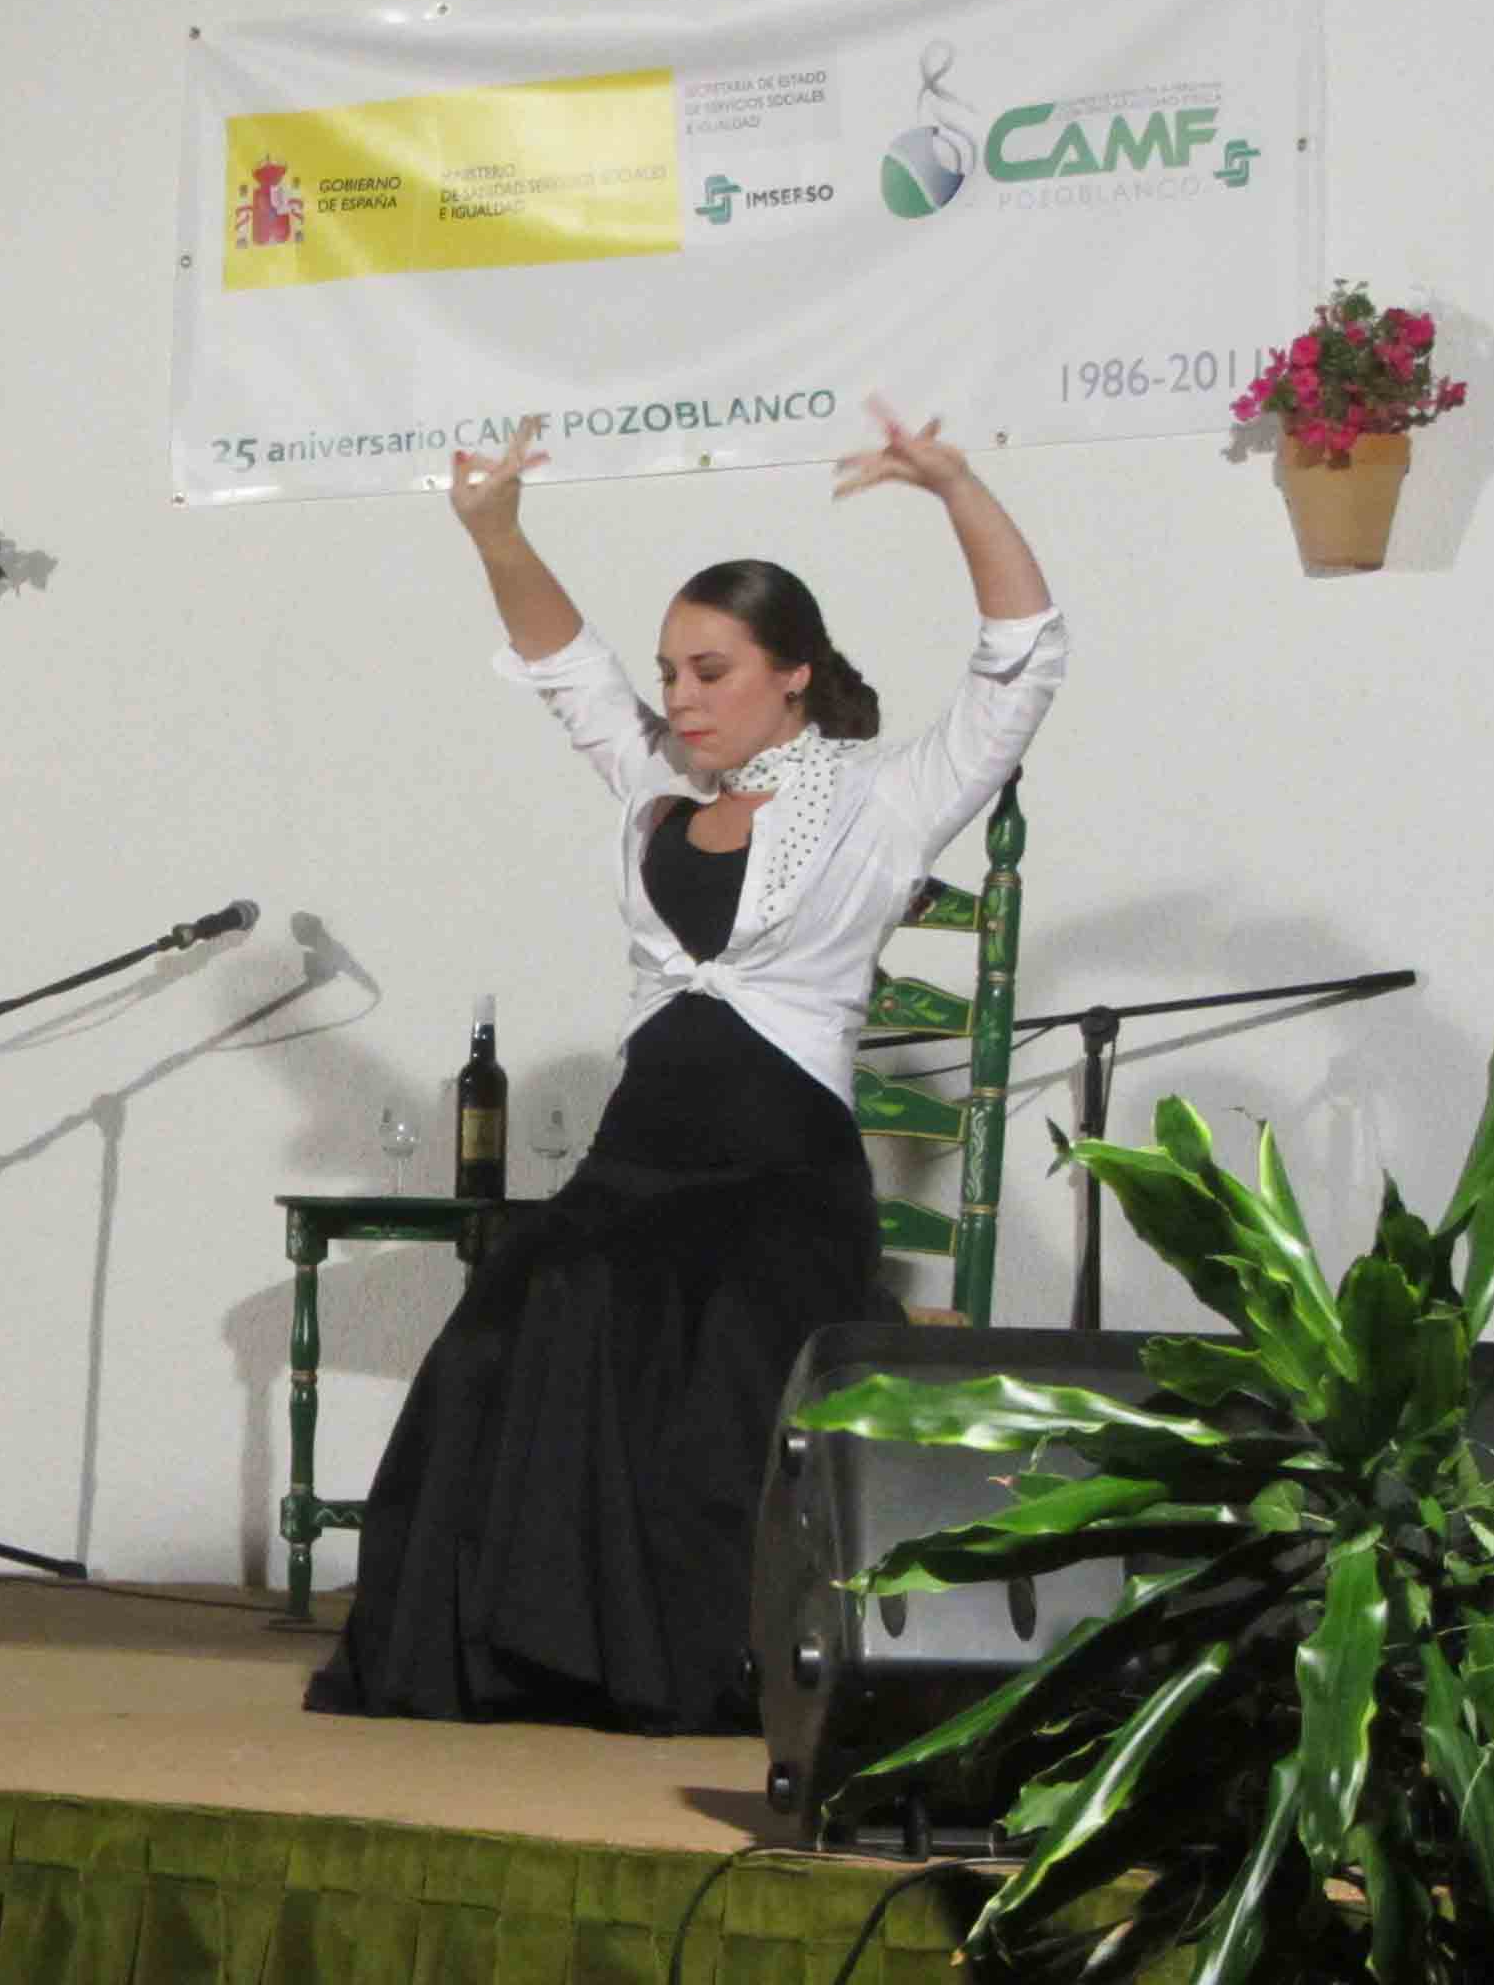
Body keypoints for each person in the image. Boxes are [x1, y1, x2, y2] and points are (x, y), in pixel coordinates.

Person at [306, 406, 1065, 1732]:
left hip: (779, 1180)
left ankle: (693, 1663)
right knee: (507, 1328)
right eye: (671, 673)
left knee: (703, 1344)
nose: (682, 697)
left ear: (793, 673)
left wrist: (953, 486)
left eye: (712, 671)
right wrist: (496, 531)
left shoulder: (882, 802)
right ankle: (517, 1660)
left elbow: (1022, 659)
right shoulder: (651, 787)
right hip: (633, 1167)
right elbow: (564, 664)